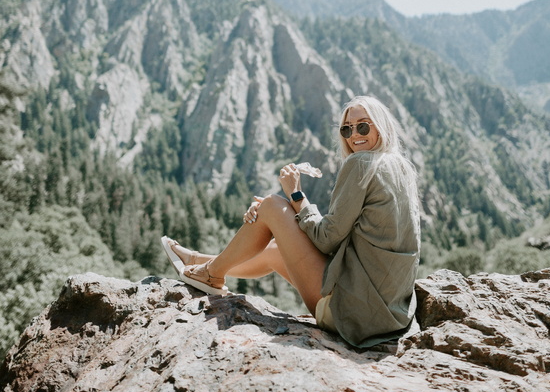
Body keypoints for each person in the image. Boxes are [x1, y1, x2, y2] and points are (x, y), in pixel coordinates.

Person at [161, 95, 421, 348]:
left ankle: (210, 275)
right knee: (275, 250)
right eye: (346, 129)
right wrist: (281, 221)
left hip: (354, 315)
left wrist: (294, 196)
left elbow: (327, 239)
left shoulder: (361, 163)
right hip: (390, 315)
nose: (354, 135)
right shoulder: (402, 168)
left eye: (363, 125)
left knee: (274, 205)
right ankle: (199, 262)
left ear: (381, 126)